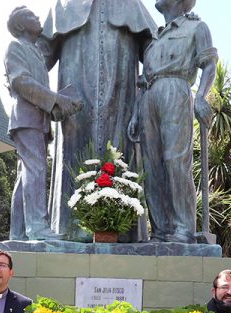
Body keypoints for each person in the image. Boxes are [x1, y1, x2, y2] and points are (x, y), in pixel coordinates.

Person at [42, 0, 157, 239]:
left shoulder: (130, 3)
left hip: (121, 100)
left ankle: (124, 233)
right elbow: (39, 53)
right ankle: (70, 232)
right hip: (75, 106)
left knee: (121, 157)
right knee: (73, 158)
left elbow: (154, 50)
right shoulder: (63, 4)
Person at [129, 0, 217, 243]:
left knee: (175, 161)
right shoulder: (154, 39)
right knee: (152, 166)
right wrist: (137, 113)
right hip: (149, 95)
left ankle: (183, 228)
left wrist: (201, 97)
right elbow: (144, 79)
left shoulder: (197, 28)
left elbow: (209, 64)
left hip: (176, 90)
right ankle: (160, 230)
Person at [5, 6, 82, 241]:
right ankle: (37, 227)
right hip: (26, 119)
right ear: (20, 26)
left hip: (38, 120)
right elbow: (21, 82)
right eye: (31, 16)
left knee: (26, 174)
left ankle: (18, 232)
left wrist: (57, 106)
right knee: (35, 170)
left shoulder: (35, 52)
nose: (38, 18)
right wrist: (57, 100)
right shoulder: (16, 47)